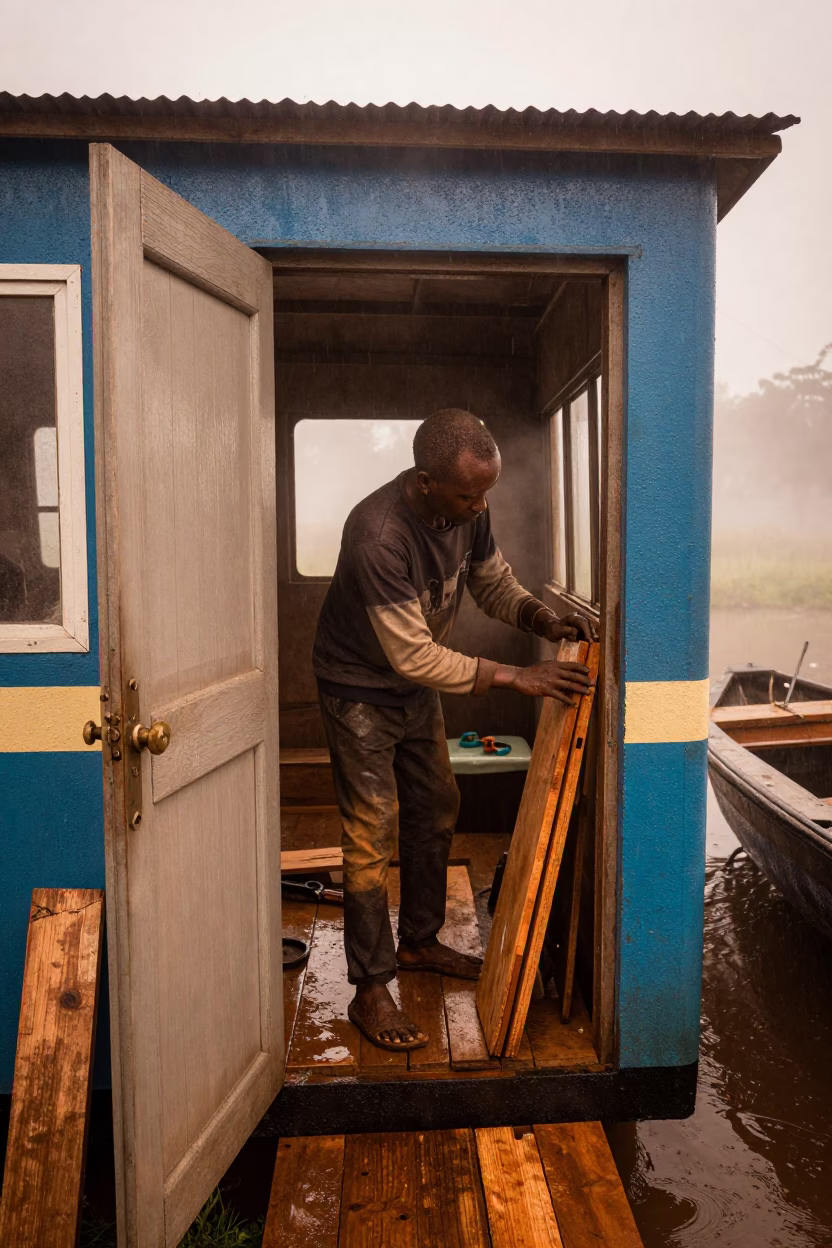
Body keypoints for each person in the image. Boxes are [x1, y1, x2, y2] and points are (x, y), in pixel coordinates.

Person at [312, 408, 596, 1051]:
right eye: (468, 494)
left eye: (486, 491)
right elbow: (413, 653)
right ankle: (371, 987)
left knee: (437, 804)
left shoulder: (470, 507)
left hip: (409, 687)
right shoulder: (378, 535)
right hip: (357, 686)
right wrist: (516, 677)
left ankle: (417, 942)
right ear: (423, 482)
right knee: (370, 831)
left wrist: (541, 620)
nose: (480, 505)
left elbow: (492, 583)